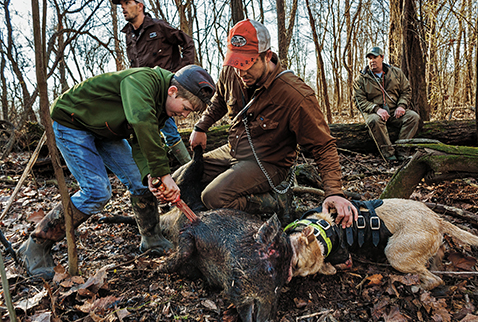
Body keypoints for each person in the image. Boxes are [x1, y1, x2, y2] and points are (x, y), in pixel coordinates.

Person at [17, 65, 215, 280]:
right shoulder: (142, 80)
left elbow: (141, 139)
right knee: (97, 191)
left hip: (106, 130)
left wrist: (151, 174)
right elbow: (140, 121)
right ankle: (35, 245)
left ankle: (152, 238)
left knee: (140, 183)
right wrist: (163, 173)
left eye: (189, 113)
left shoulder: (161, 106)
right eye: (185, 108)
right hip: (73, 122)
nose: (184, 114)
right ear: (173, 91)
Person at [185, 19, 357, 227]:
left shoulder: (295, 95)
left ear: (266, 56)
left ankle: (274, 202)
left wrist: (335, 193)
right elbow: (220, 99)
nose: (240, 72)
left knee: (213, 197)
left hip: (269, 163)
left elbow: (323, 146)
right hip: (233, 150)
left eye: (247, 64)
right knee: (182, 178)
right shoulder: (232, 72)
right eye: (236, 63)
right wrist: (201, 127)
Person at [114, 0, 196, 165]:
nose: (122, 7)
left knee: (169, 131)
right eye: (120, 3)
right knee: (143, 132)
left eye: (127, 2)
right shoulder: (128, 34)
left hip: (163, 90)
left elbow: (188, 43)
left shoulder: (159, 27)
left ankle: (190, 169)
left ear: (140, 5)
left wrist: (179, 74)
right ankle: (154, 175)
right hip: (141, 92)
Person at [353, 46, 420, 161]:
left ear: (382, 57)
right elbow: (359, 100)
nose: (372, 61)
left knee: (413, 117)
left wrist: (401, 105)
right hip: (374, 112)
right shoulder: (361, 79)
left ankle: (402, 151)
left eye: (375, 57)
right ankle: (389, 155)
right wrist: (376, 109)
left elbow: (406, 91)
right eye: (369, 58)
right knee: (374, 120)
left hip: (394, 110)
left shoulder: (396, 73)